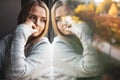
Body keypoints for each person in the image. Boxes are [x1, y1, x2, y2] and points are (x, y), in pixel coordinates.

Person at [51, 0, 104, 80]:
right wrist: (84, 32)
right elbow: (91, 69)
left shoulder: (80, 35)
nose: (64, 23)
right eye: (58, 19)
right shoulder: (58, 46)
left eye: (68, 16)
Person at [0, 0, 51, 80]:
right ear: (23, 17)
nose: (37, 23)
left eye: (43, 20)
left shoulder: (44, 45)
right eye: (32, 17)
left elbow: (17, 74)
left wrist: (21, 31)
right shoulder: (8, 40)